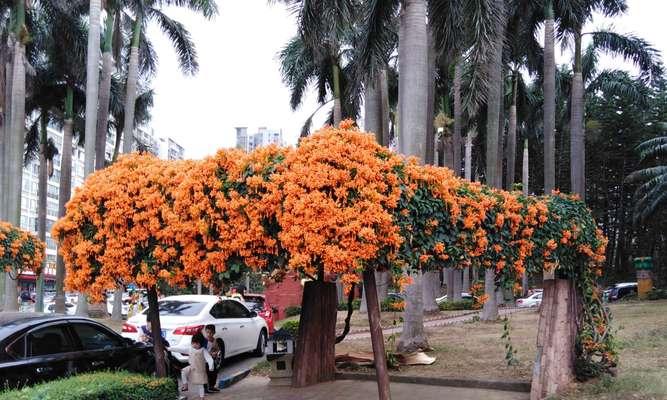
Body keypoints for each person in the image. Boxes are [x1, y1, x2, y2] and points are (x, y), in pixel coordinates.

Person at [180, 333, 213, 400]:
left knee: (200, 385)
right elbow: (180, 349)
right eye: (193, 343)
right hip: (192, 368)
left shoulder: (203, 350)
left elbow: (209, 359)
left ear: (201, 344)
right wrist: (170, 348)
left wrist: (211, 367)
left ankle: (202, 397)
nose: (194, 345)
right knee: (183, 371)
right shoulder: (190, 349)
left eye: (196, 343)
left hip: (200, 370)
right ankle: (185, 385)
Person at [203, 325, 221, 393]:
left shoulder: (214, 340)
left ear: (214, 333)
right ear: (205, 332)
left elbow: (217, 349)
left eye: (210, 333)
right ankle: (205, 388)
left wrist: (215, 353)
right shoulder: (204, 341)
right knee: (205, 374)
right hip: (204, 360)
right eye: (207, 332)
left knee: (214, 373)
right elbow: (202, 350)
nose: (209, 334)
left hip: (211, 360)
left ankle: (212, 386)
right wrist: (209, 354)